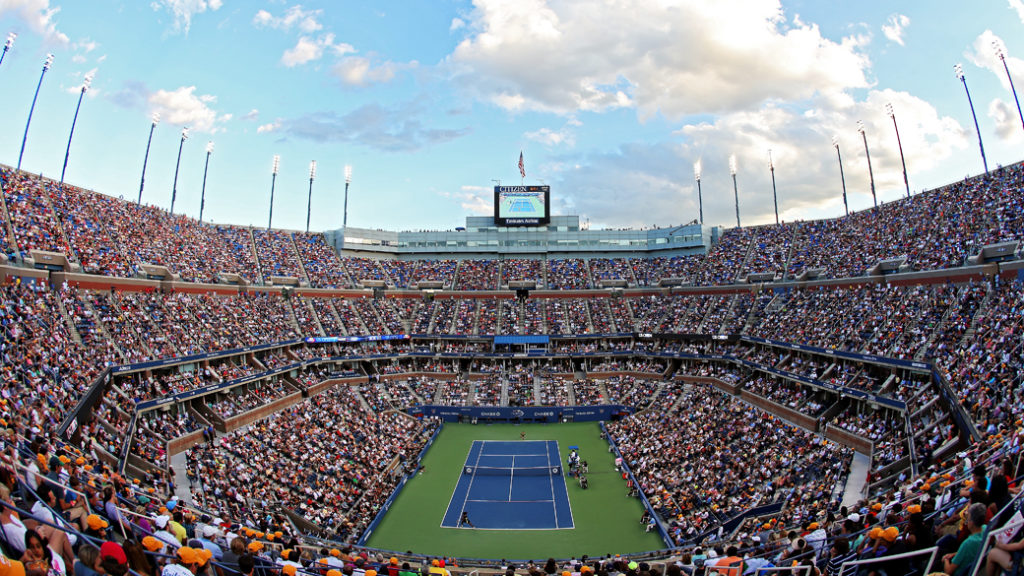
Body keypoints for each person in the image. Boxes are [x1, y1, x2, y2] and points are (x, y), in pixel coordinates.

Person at [942, 502, 988, 576]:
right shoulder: (985, 529)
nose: (967, 522)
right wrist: (954, 554)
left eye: (968, 520)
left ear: (972, 522)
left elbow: (948, 571)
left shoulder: (968, 543)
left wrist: (946, 559)